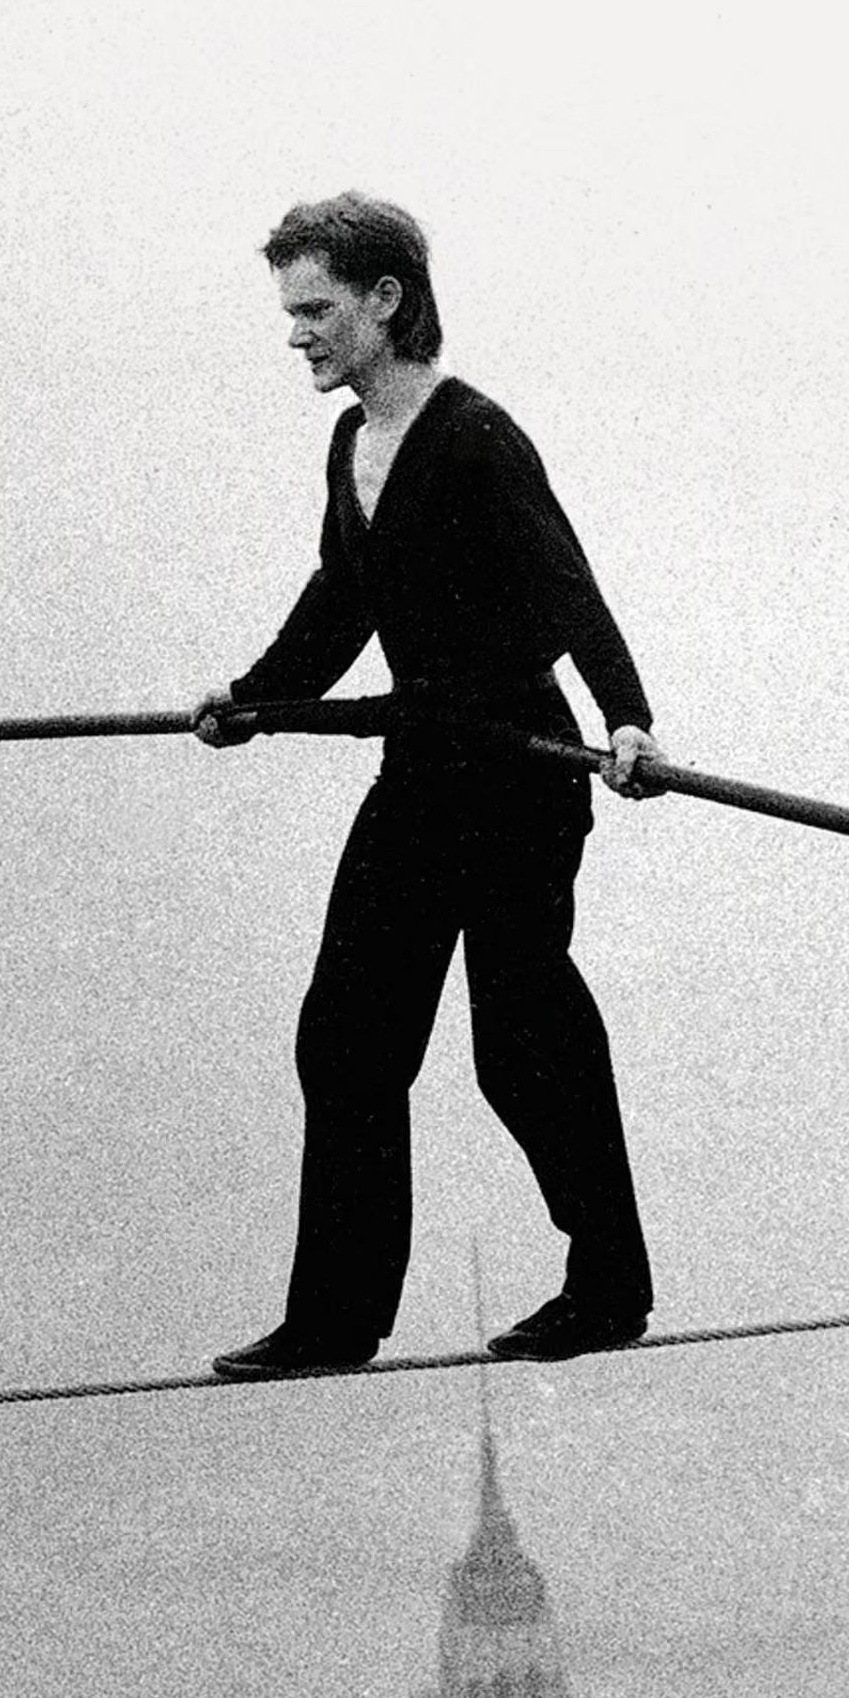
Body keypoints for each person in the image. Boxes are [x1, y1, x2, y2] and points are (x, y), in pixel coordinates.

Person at [196, 191, 663, 1380]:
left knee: (521, 1042)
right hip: (419, 774)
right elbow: (340, 604)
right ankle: (336, 1320)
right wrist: (252, 698)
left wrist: (629, 721)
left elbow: (567, 587)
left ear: (385, 300)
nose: (296, 334)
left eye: (316, 309)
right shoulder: (354, 443)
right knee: (346, 1039)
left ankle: (608, 1285)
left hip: (515, 776)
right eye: (291, 311)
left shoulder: (475, 436)